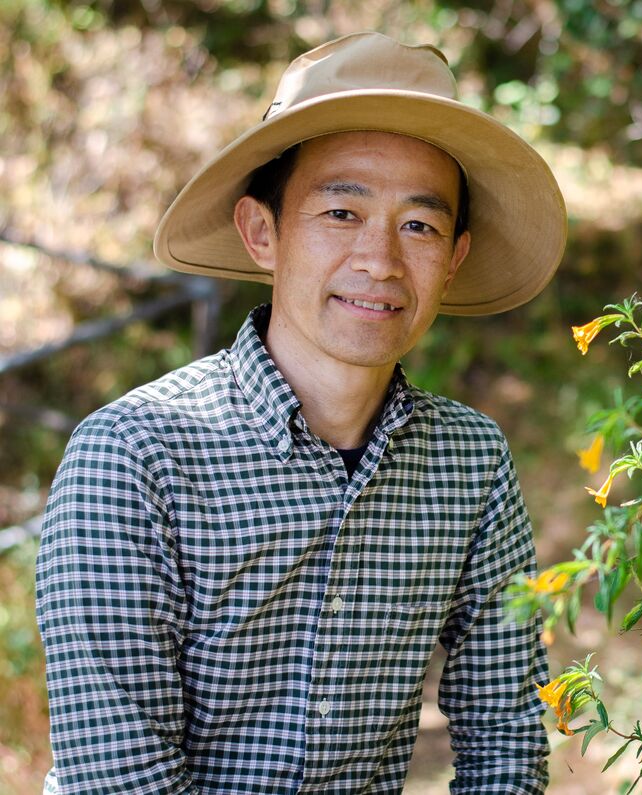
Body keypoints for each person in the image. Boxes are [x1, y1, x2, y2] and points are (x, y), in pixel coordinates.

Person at [35, 32, 567, 794]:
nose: (380, 260)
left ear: (453, 257)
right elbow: (121, 778)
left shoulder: (469, 459)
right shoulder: (135, 457)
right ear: (262, 232)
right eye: (342, 211)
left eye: (419, 224)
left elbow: (506, 729)